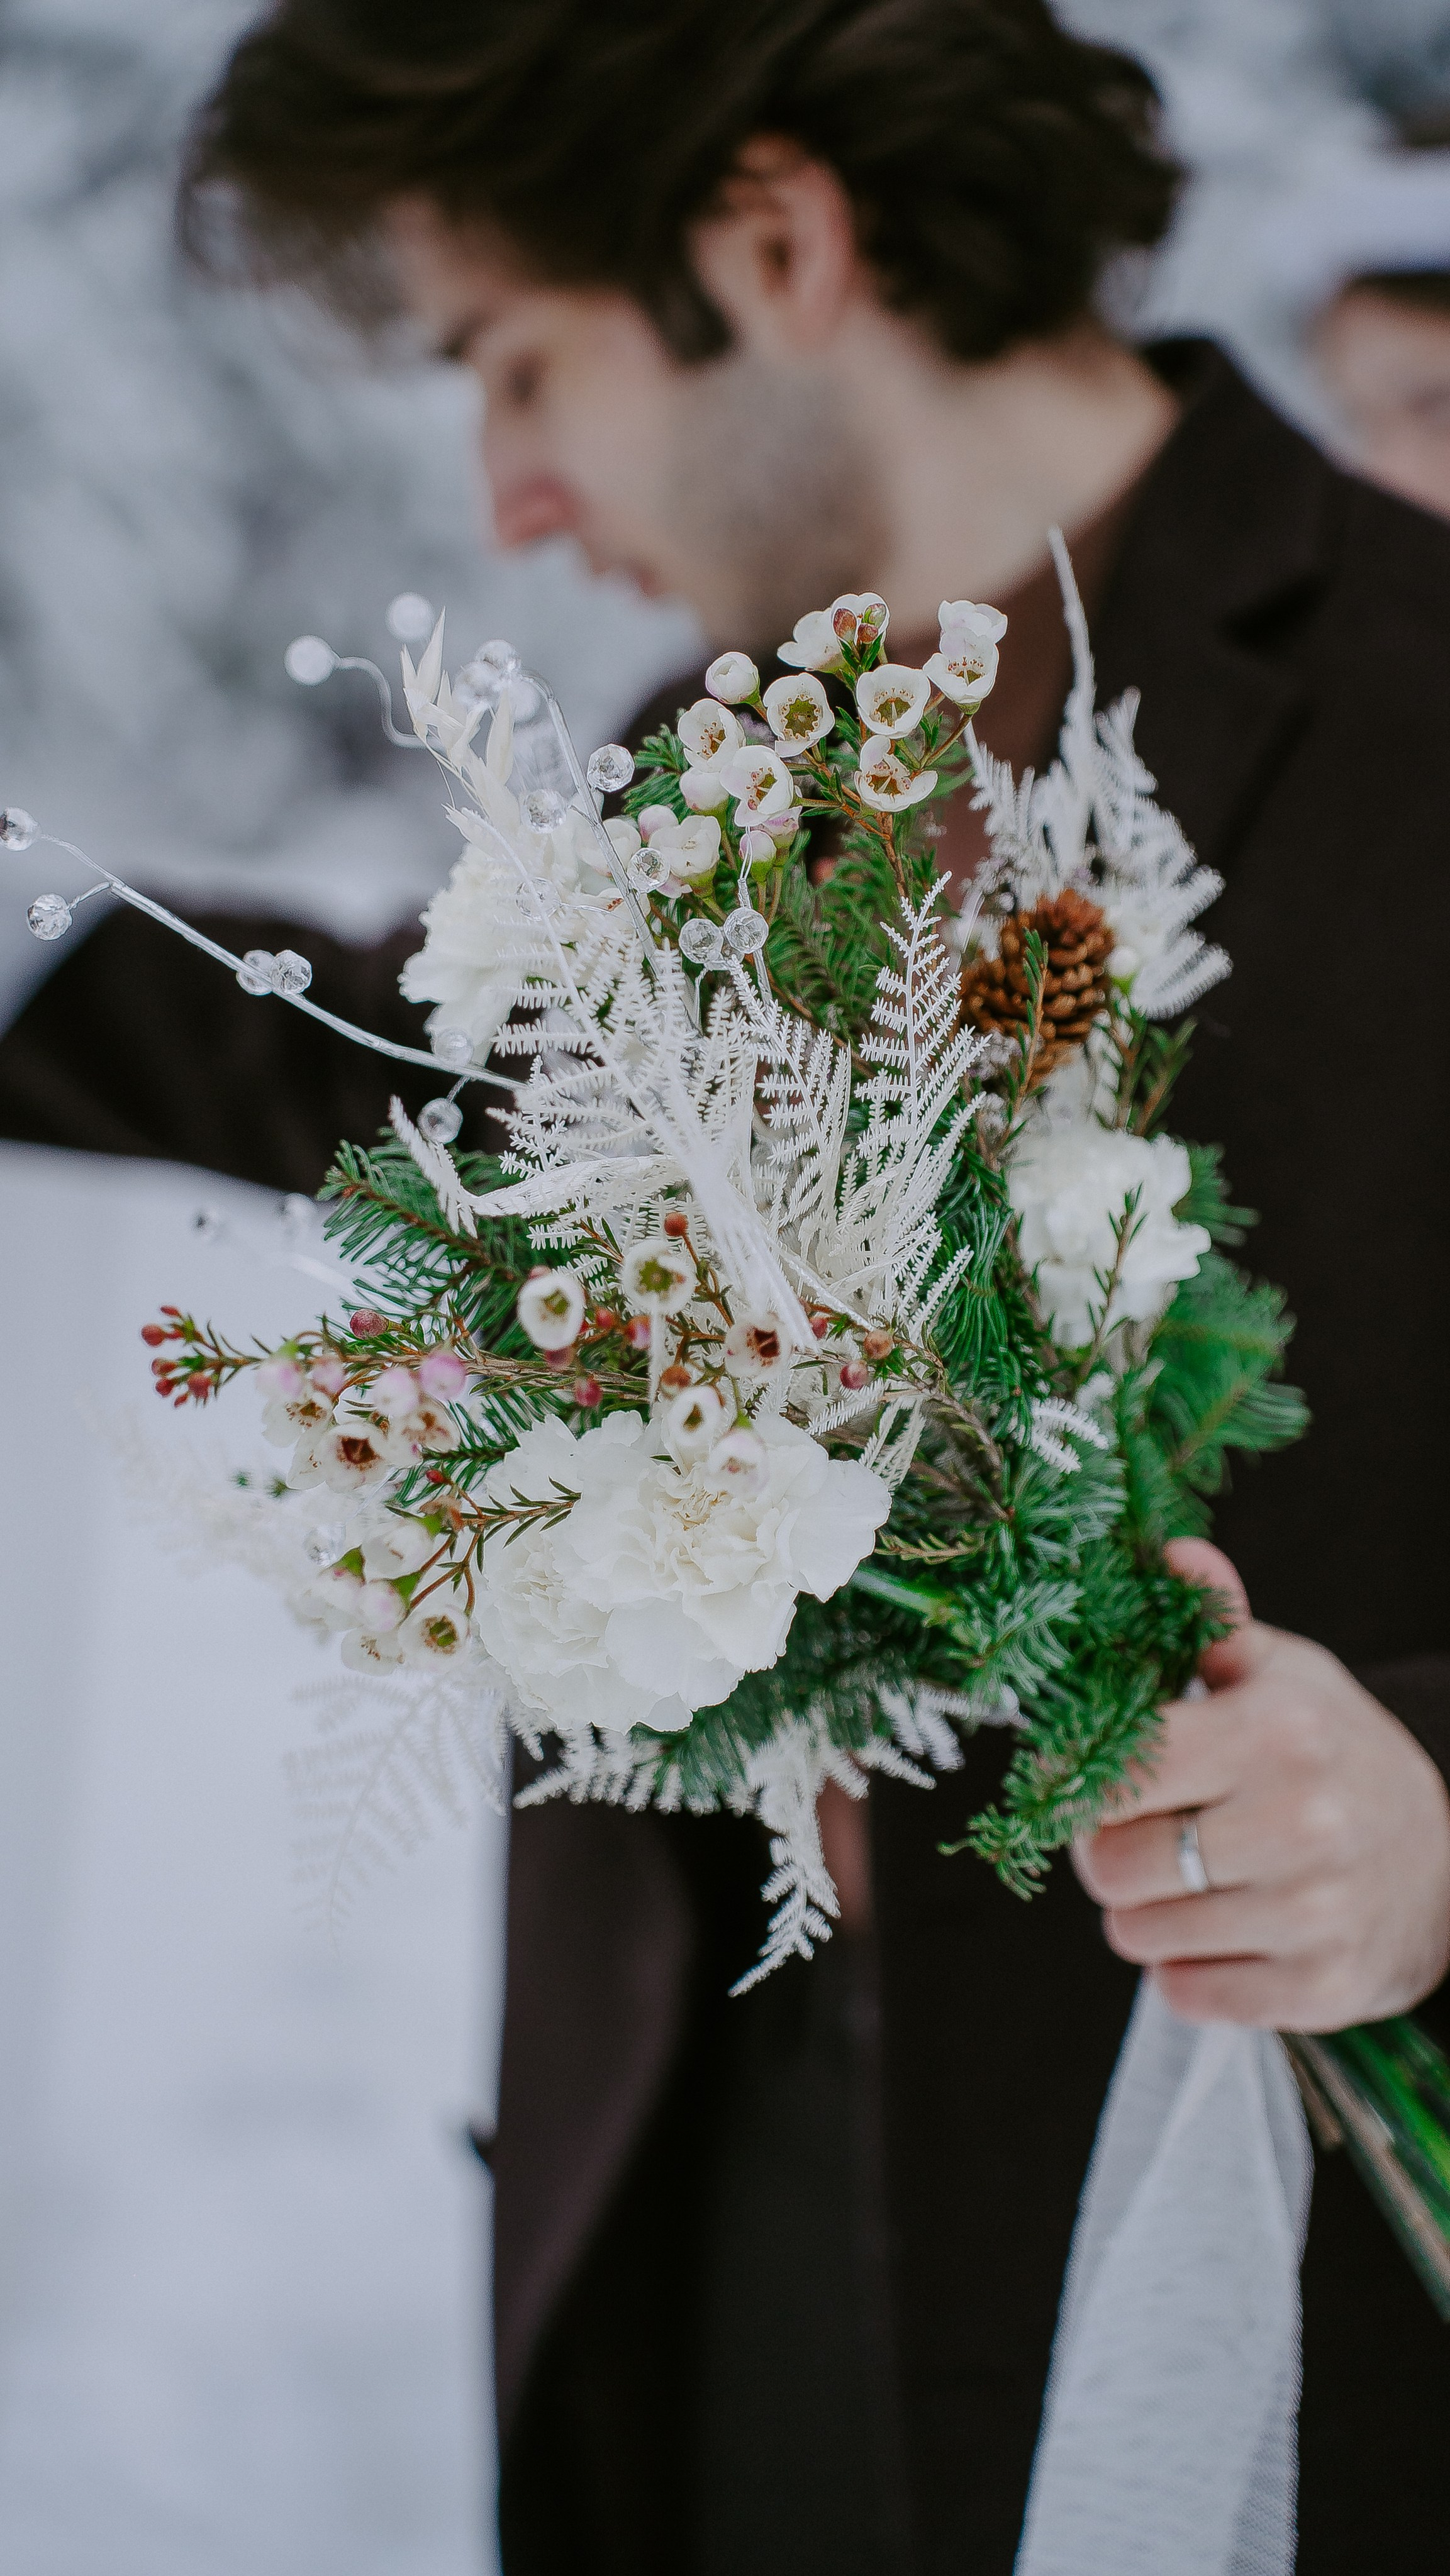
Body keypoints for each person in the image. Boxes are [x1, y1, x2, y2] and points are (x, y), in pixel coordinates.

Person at [4, 3, 1449, 2568]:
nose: (512, 491)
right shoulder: (712, 760)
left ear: (774, 247)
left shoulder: (1420, 715)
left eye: (514, 360)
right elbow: (482, 1136)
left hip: (1279, 2329)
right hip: (707, 2227)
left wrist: (1437, 1810)